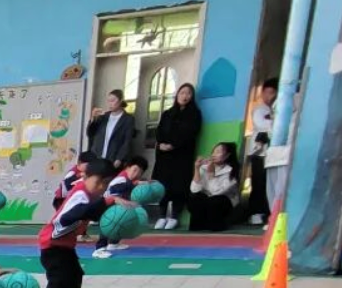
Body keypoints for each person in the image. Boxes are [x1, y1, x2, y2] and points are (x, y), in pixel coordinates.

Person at [34, 158, 130, 288]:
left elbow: (91, 211)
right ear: (85, 177)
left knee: (75, 274)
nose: (101, 187)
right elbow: (71, 216)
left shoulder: (90, 194)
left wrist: (108, 205)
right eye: (98, 182)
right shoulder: (80, 194)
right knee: (59, 280)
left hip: (65, 245)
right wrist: (107, 202)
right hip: (52, 245)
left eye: (105, 183)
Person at [153, 83, 203, 229]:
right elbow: (159, 131)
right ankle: (161, 215)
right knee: (163, 185)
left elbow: (190, 133)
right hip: (164, 156)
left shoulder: (194, 114)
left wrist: (174, 144)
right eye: (182, 93)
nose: (185, 96)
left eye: (188, 93)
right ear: (177, 95)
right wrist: (161, 144)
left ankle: (174, 216)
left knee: (179, 186)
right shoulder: (167, 113)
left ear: (192, 97)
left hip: (182, 155)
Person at [94, 155, 149, 258]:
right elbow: (113, 197)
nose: (136, 173)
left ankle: (113, 243)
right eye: (135, 170)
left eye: (140, 172)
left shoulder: (127, 178)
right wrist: (129, 203)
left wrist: (141, 183)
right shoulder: (120, 180)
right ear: (127, 167)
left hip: (116, 205)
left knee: (121, 221)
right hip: (106, 205)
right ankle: (99, 249)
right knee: (108, 225)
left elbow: (132, 184)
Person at [188, 143, 240, 232]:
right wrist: (197, 168)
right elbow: (194, 189)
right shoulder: (204, 167)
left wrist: (211, 174)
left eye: (218, 152)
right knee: (194, 198)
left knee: (215, 201)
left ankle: (218, 226)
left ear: (227, 155)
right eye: (213, 152)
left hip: (223, 202)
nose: (214, 155)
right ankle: (198, 227)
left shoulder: (231, 171)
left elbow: (216, 192)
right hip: (208, 199)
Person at [248, 78, 277, 225]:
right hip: (259, 152)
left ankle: (268, 212)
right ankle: (256, 212)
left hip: (272, 152)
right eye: (267, 92)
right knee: (258, 182)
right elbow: (261, 125)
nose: (270, 96)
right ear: (263, 92)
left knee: (270, 183)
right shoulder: (259, 109)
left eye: (273, 93)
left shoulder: (276, 110)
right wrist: (274, 122)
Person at [86, 90, 137, 168]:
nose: (110, 103)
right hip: (97, 156)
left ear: (121, 101)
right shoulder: (104, 116)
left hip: (113, 158)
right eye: (108, 101)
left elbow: (127, 141)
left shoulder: (128, 119)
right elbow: (90, 134)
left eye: (113, 100)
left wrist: (119, 158)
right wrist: (93, 118)